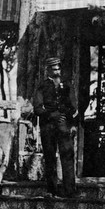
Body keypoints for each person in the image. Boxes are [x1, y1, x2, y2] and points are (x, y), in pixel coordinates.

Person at [32, 56, 76, 197]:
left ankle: (69, 191)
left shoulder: (67, 85)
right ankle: (52, 190)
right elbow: (37, 108)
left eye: (58, 69)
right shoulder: (42, 86)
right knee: (50, 158)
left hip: (63, 126)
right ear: (48, 70)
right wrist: (52, 115)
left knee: (67, 156)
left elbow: (73, 107)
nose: (57, 72)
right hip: (48, 126)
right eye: (54, 69)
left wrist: (69, 120)